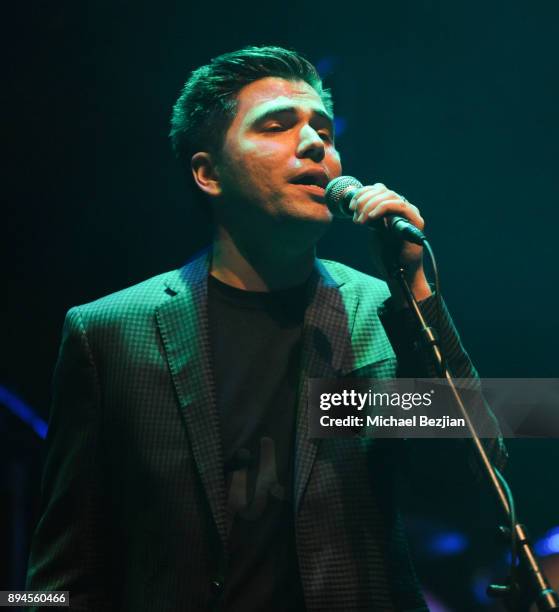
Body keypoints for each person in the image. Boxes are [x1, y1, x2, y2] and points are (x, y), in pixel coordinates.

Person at [26, 46, 505, 611]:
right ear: (208, 173)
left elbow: (479, 482)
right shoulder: (106, 334)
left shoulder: (380, 312)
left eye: (323, 130)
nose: (314, 144)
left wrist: (415, 289)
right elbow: (59, 581)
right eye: (278, 126)